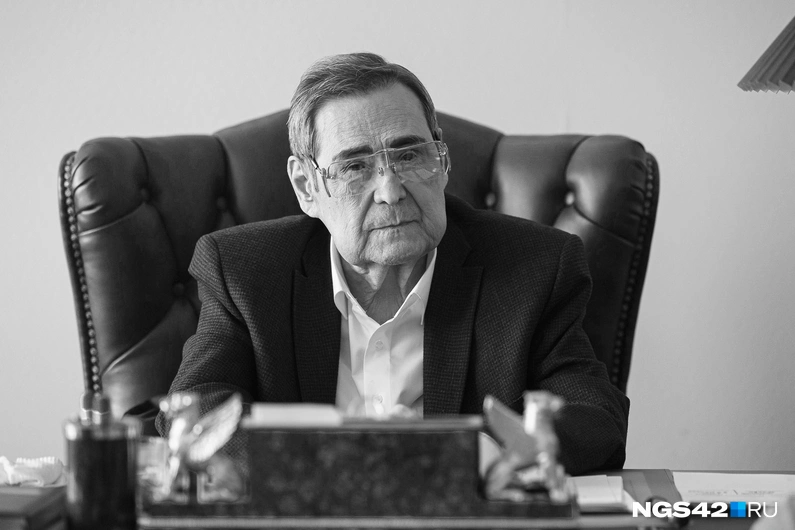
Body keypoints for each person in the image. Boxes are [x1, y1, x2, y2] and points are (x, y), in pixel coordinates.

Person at [157, 52, 629, 475]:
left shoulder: (534, 268)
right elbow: (196, 412)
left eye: (409, 155)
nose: (391, 191)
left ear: (442, 163)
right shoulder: (246, 273)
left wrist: (477, 454)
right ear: (306, 188)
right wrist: (326, 463)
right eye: (354, 166)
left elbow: (593, 417)